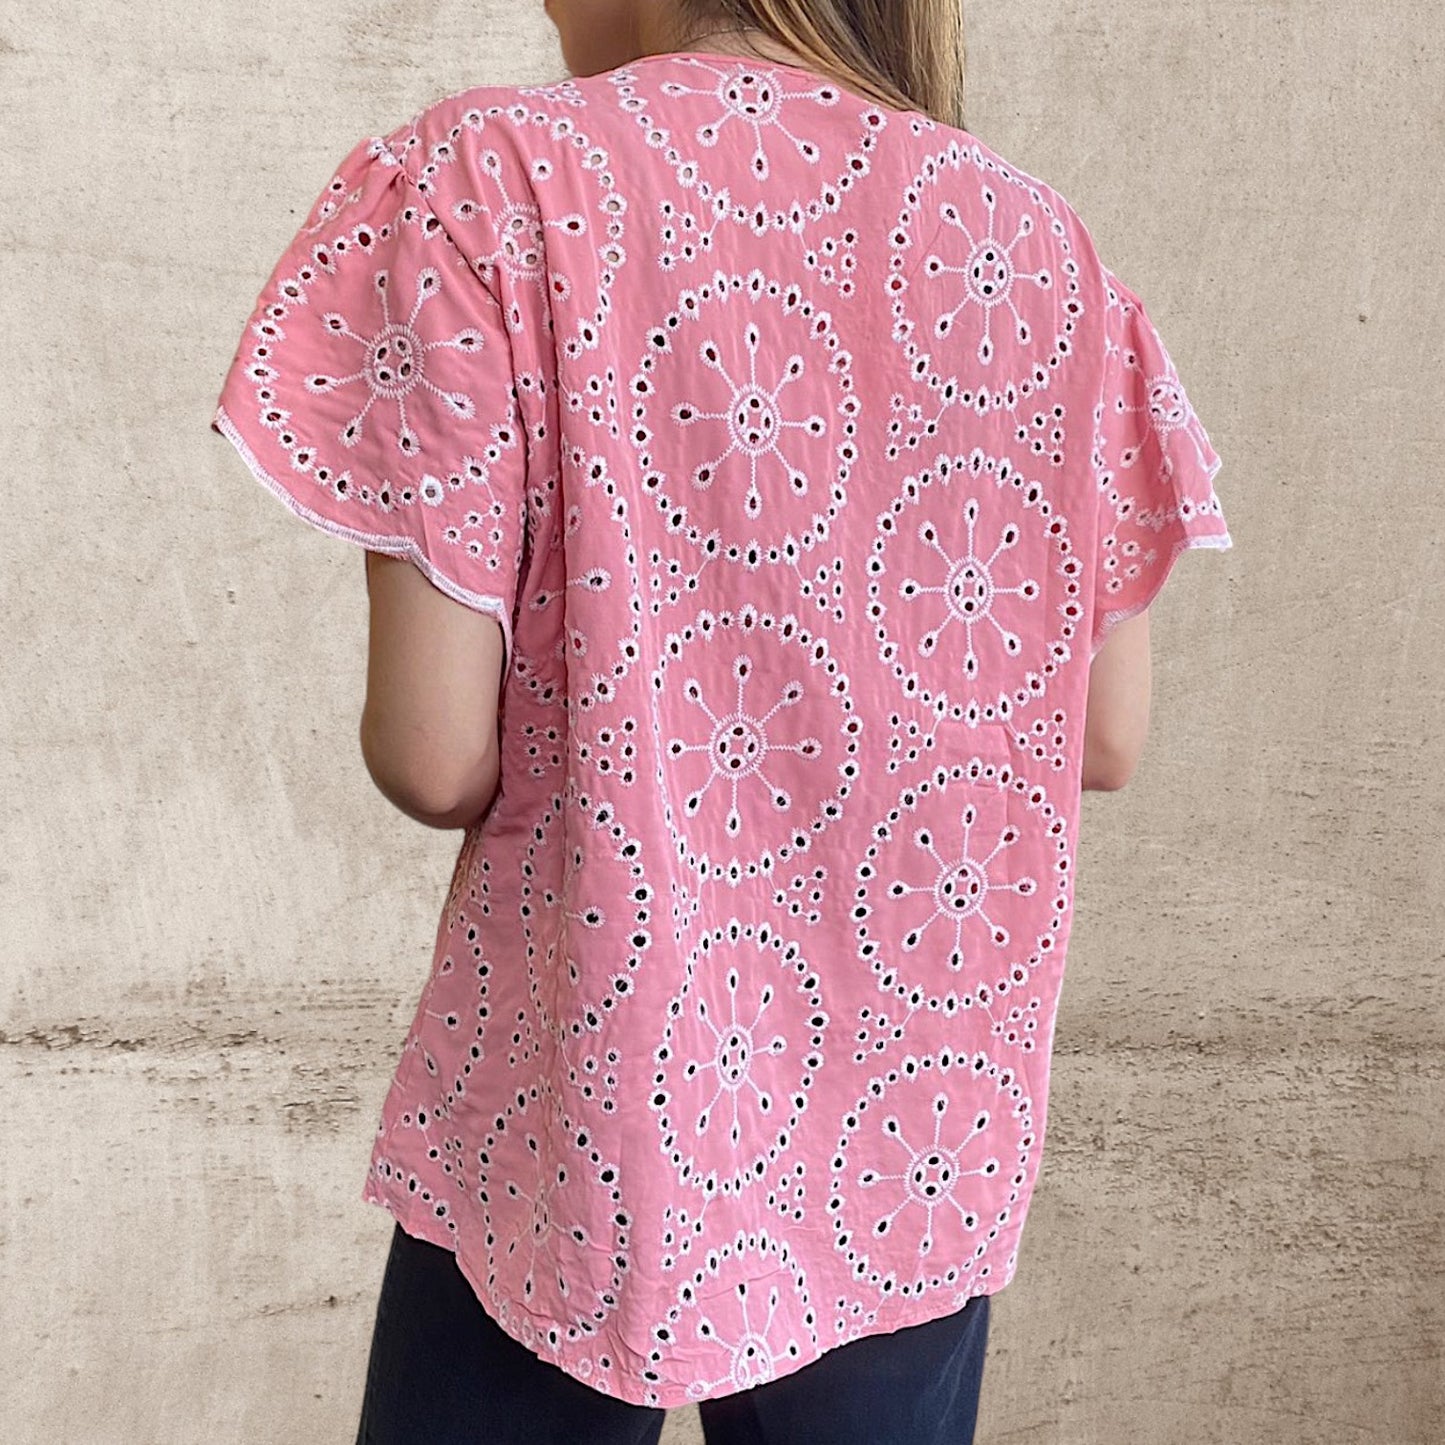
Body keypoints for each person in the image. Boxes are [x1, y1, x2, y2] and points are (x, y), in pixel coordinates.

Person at [209, 1, 1234, 1439]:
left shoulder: (498, 180)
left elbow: (433, 756)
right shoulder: (1029, 240)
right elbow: (1104, 734)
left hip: (573, 1091)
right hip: (906, 1121)